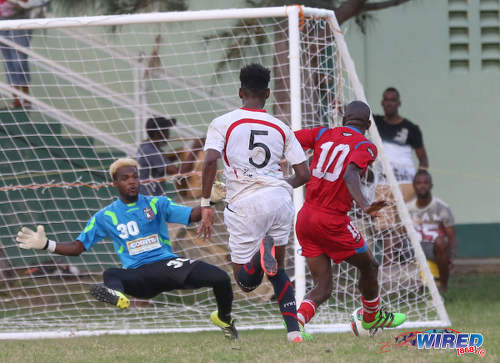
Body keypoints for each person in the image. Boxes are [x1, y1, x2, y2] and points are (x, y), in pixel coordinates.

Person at [15, 158, 238, 339]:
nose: (132, 182)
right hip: (138, 275)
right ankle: (118, 296)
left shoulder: (156, 203)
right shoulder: (105, 216)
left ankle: (224, 318)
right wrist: (46, 244)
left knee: (220, 278)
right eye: (125, 178)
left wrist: (210, 201)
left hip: (167, 265)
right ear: (115, 183)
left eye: (134, 177)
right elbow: (77, 247)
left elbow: (192, 215)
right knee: (111, 273)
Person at [198, 63, 310, 343]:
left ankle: (261, 254)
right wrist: (282, 185)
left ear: (240, 91)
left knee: (246, 282)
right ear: (268, 94)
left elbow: (210, 160)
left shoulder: (223, 122)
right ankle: (294, 332)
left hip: (245, 203)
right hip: (279, 198)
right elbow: (304, 174)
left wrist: (205, 201)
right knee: (279, 271)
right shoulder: (282, 127)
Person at [294, 100, 406, 335]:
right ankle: (371, 316)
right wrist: (365, 204)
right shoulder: (366, 146)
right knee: (370, 266)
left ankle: (296, 326)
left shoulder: (323, 132)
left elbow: (287, 139)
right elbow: (350, 173)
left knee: (323, 287)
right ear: (367, 124)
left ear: (344, 119)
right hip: (332, 221)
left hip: (305, 217)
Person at [374, 87, 428, 202]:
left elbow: (423, 159)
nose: (389, 104)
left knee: (406, 219)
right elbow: (352, 113)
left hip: (406, 183)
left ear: (398, 103)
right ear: (382, 103)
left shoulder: (411, 128)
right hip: (382, 184)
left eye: (392, 100)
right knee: (383, 219)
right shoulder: (376, 123)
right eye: (386, 100)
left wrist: (420, 179)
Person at [407, 170, 457, 293]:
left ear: (431, 185)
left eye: (426, 182)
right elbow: (402, 232)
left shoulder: (441, 207)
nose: (422, 185)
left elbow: (451, 236)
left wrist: (452, 255)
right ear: (414, 185)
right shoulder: (407, 208)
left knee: (441, 242)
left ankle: (443, 288)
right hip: (412, 246)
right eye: (418, 183)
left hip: (433, 247)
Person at [136, 116, 203, 196]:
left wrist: (183, 150)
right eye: (167, 131)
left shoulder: (145, 146)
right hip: (149, 198)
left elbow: (162, 162)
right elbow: (179, 174)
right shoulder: (151, 151)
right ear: (159, 133)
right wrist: (195, 149)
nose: (168, 135)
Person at [0, 0, 32, 108]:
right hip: (2, 18)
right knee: (8, 61)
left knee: (20, 60)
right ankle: (16, 99)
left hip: (18, 16)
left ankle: (26, 97)